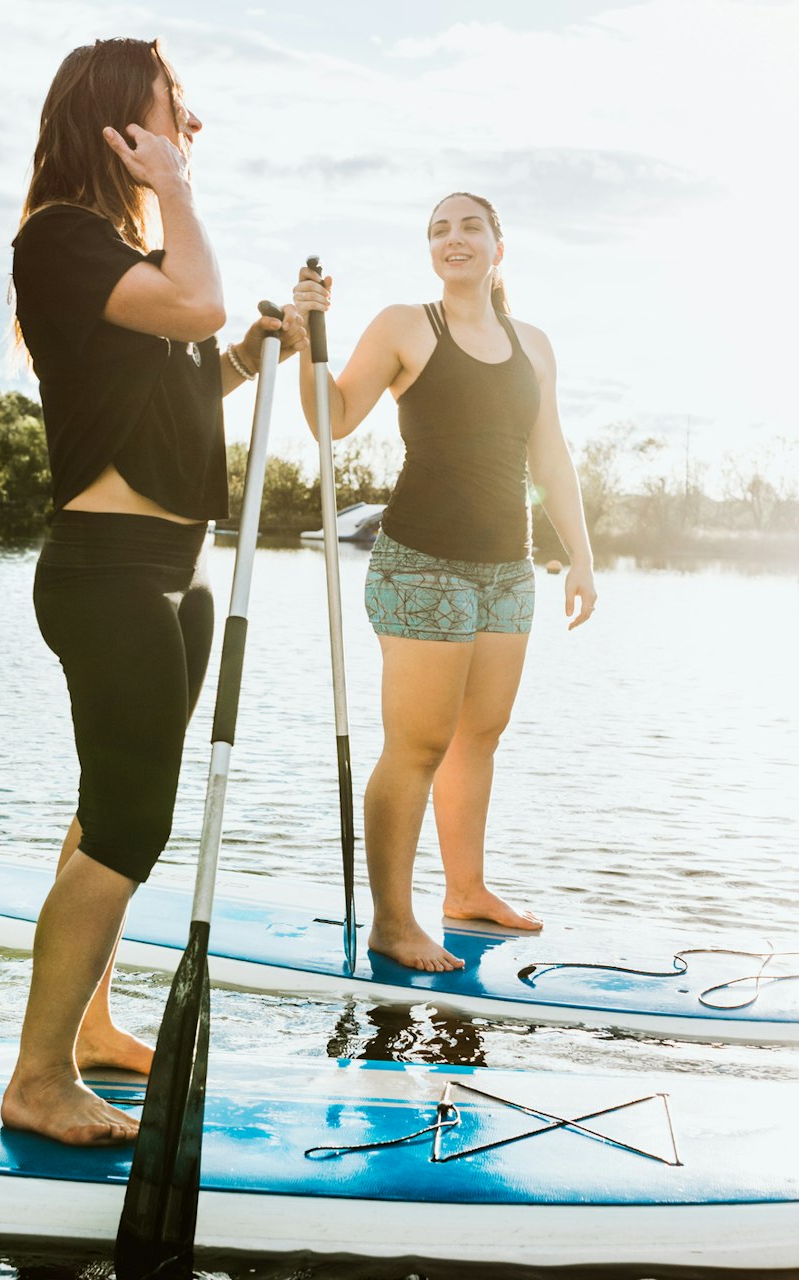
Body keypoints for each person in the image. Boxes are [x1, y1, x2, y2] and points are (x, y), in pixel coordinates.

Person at [0, 37, 303, 1146]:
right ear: (123, 119)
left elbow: (180, 368)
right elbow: (196, 302)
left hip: (171, 581)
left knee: (108, 806)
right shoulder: (64, 239)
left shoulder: (120, 252)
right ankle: (35, 1079)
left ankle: (88, 1028)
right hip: (107, 573)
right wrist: (178, 192)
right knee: (135, 820)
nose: (193, 129)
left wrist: (246, 354)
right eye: (178, 111)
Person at [291, 192, 597, 973]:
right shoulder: (405, 325)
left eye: (469, 226)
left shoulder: (534, 344)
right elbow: (332, 419)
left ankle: (465, 891)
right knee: (418, 744)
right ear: (430, 251)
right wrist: (310, 338)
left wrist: (583, 554)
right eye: (438, 229)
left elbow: (549, 456)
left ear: (500, 244)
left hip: (507, 569)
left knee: (479, 737)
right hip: (421, 563)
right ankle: (394, 921)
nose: (453, 239)